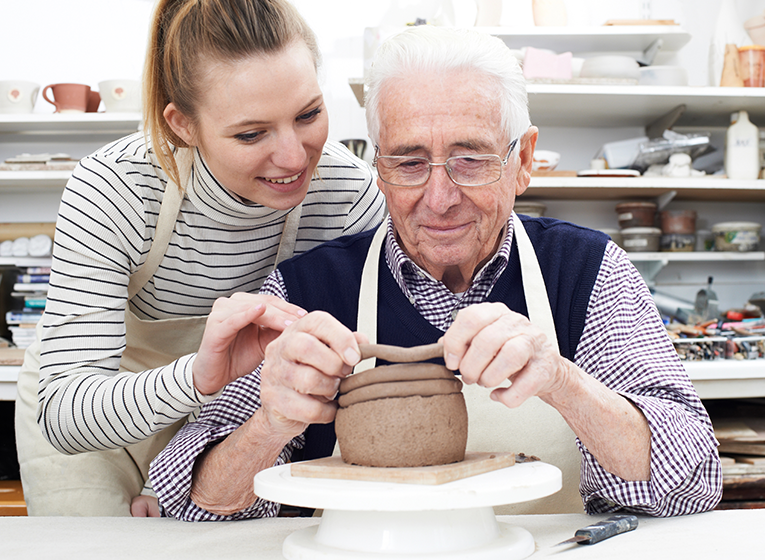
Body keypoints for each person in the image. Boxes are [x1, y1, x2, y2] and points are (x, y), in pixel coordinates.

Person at [149, 25, 722, 520]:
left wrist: (562, 382)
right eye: (409, 161)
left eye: (470, 158)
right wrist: (269, 424)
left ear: (522, 161)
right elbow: (190, 501)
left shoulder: (589, 271)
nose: (440, 197)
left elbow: (692, 482)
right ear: (378, 168)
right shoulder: (306, 291)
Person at [14, 0, 386, 517]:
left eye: (308, 115)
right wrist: (197, 378)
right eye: (251, 134)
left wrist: (189, 472)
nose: (294, 157)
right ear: (183, 124)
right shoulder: (115, 188)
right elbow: (65, 414)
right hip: (98, 427)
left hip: (235, 424)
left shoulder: (348, 195)